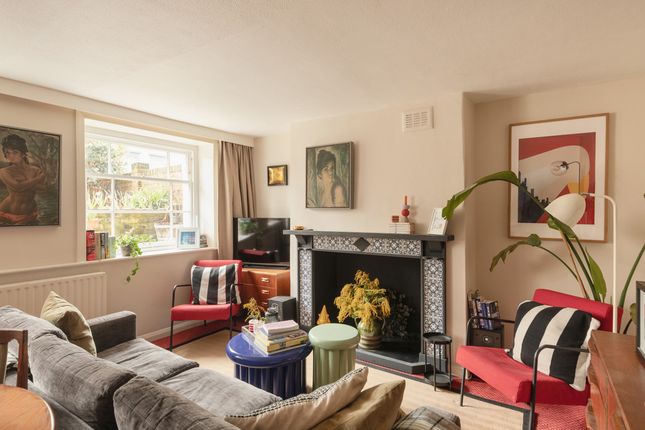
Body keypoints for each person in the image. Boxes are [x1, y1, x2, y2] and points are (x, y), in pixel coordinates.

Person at [0, 134, 45, 225]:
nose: (11, 156)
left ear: (23, 153)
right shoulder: (4, 171)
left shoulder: (36, 169)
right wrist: (38, 178)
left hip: (31, 214)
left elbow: (42, 188)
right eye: (7, 153)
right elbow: (17, 187)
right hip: (7, 214)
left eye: (15, 152)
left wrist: (23, 184)